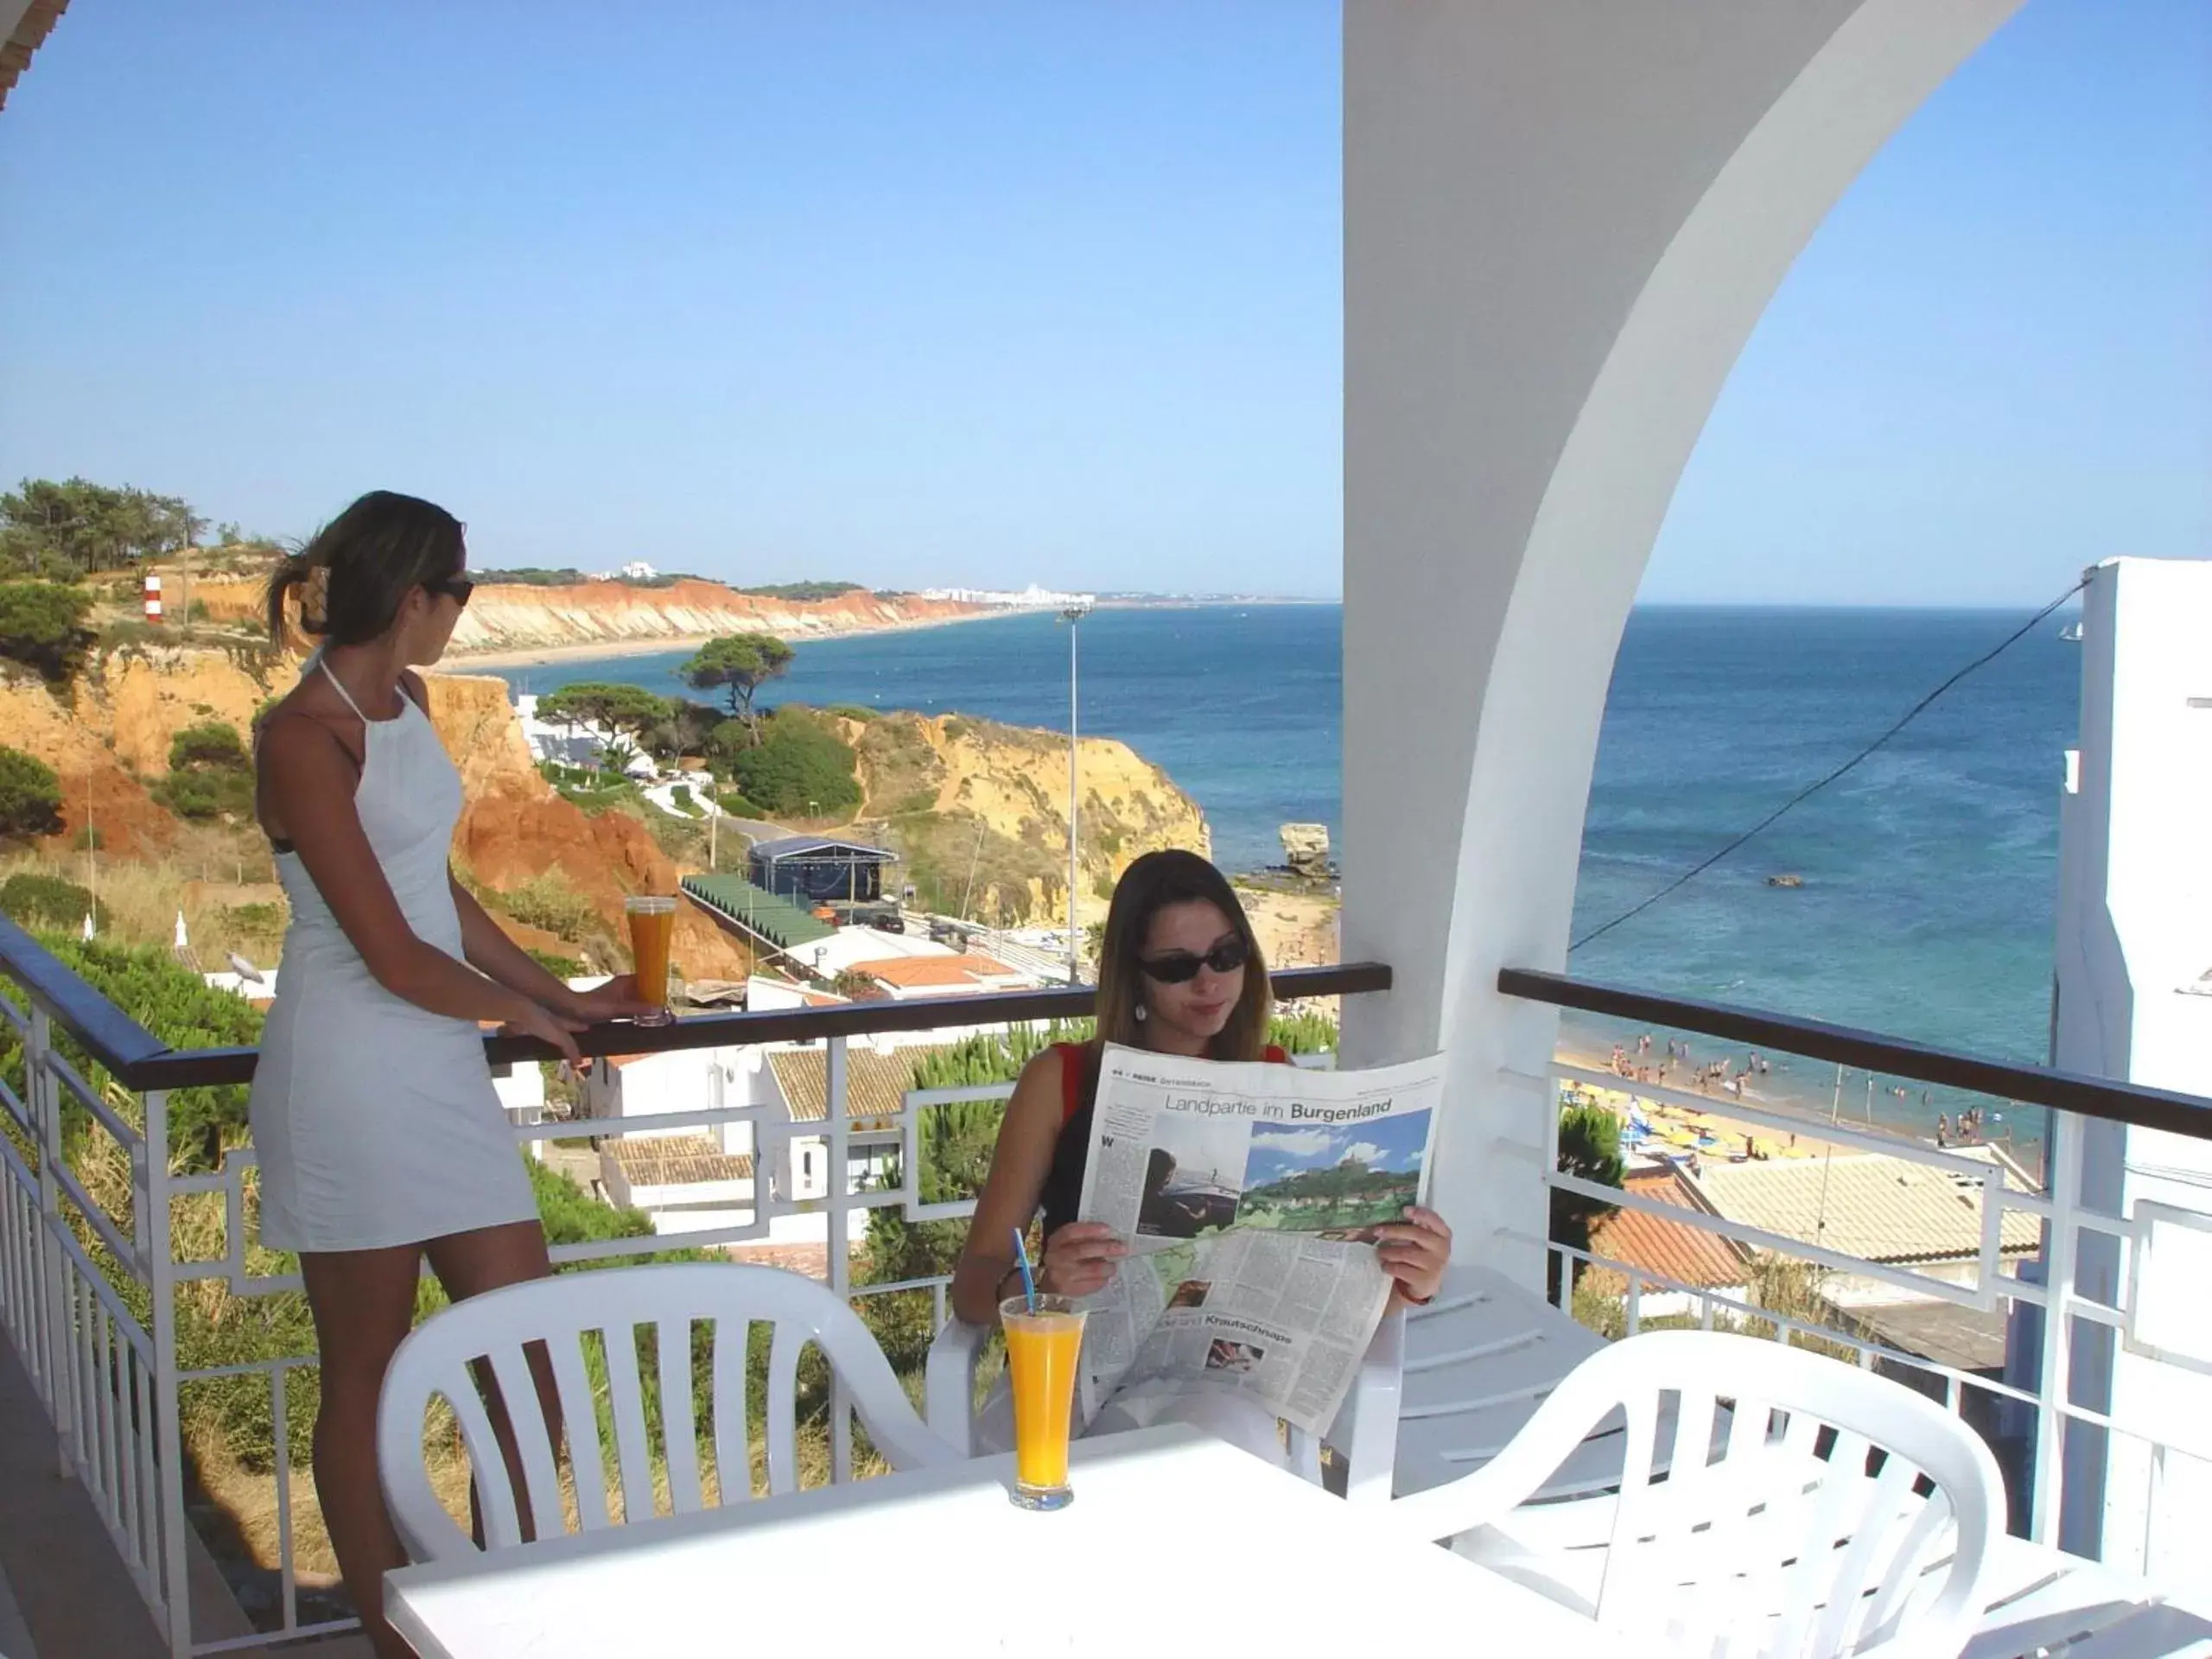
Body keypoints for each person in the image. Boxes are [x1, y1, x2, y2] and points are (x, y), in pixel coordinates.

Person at [251, 492, 653, 1656]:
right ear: (410, 594)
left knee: (526, 1359)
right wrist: (528, 1015)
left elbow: (438, 897)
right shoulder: (300, 737)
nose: (464, 614)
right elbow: (384, 947)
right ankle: (396, 1637)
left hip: (432, 1059)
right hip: (348, 1072)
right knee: (366, 1382)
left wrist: (567, 996)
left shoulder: (407, 704)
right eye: (460, 592)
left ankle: (505, 1610)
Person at [950, 850, 1451, 1456]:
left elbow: (1322, 1289)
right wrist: (1036, 1291)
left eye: (1226, 956)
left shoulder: (1272, 1076)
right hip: (1074, 1378)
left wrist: (1410, 1278)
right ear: (1133, 976)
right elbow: (971, 1283)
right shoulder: (1063, 1079)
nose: (1209, 982)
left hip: (1211, 1388)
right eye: (1177, 966)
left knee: (1220, 1441)